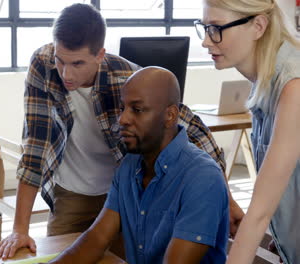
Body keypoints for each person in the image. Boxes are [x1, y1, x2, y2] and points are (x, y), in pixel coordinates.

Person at [0, 3, 240, 260]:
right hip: (74, 191)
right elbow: (36, 145)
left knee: (123, 255)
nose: (66, 73)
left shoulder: (126, 78)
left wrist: (228, 200)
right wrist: (19, 229)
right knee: (70, 249)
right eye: (60, 60)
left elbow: (196, 132)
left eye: (77, 63)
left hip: (118, 188)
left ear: (100, 55)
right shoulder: (43, 66)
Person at [48, 67, 229, 264]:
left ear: (170, 115)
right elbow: (97, 238)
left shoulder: (203, 178)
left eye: (137, 109)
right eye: (123, 108)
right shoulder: (129, 165)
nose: (122, 119)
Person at [194, 0, 300, 263]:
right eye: (204, 27)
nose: (206, 42)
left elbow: (259, 214)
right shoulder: (264, 80)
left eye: (216, 28)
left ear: (258, 26)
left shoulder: (293, 87)